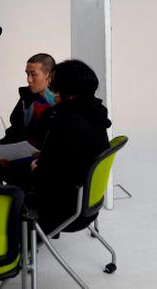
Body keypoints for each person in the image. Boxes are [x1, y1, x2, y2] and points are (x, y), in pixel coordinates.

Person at [29, 59, 111, 234]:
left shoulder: (66, 121)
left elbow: (46, 171)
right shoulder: (95, 113)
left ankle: (20, 247)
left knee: (14, 179)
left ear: (68, 93)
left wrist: (37, 166)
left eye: (55, 88)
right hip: (88, 203)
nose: (51, 92)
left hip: (64, 209)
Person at [0, 53, 56, 188]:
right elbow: (14, 129)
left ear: (49, 76)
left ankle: (15, 206)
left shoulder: (58, 105)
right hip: (16, 153)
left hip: (39, 160)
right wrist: (3, 150)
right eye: (27, 74)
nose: (29, 80)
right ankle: (0, 208)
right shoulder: (26, 98)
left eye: (33, 74)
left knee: (18, 184)